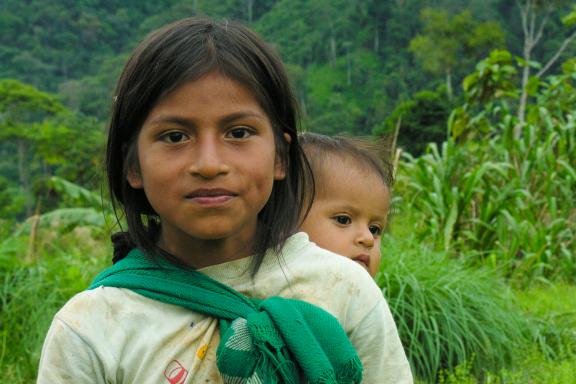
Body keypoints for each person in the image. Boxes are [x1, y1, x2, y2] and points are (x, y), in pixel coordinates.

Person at [37, 17, 413, 384]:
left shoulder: (344, 290)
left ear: (281, 157)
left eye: (238, 132)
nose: (209, 164)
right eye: (174, 137)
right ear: (132, 165)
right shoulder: (91, 329)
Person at [299, 133, 393, 278]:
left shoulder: (365, 297)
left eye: (374, 229)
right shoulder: (261, 290)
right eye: (343, 220)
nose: (368, 238)